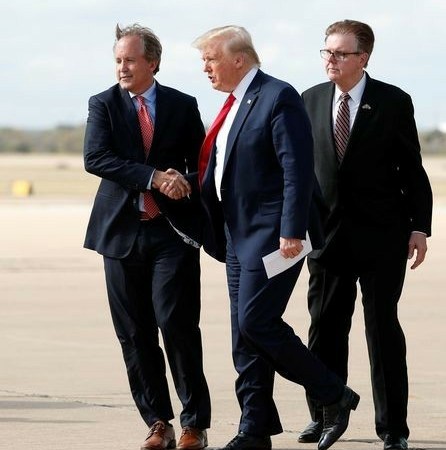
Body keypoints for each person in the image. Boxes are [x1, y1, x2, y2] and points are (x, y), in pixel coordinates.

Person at [190, 25, 359, 450]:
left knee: (256, 322)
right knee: (243, 335)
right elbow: (229, 169)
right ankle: (254, 429)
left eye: (210, 59)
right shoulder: (232, 104)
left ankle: (334, 394)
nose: (205, 68)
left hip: (274, 236)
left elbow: (296, 169)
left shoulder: (277, 96)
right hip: (236, 234)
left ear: (238, 59)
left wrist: (291, 230)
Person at [299, 20, 433, 450]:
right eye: (327, 51)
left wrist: (419, 226)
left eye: (340, 53)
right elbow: (298, 171)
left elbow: (412, 168)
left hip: (382, 237)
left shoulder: (393, 101)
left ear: (363, 58)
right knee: (324, 329)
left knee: (382, 330)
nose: (331, 60)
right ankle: (323, 416)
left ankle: (393, 429)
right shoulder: (309, 99)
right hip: (325, 238)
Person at [83, 23, 211, 450]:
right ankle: (159, 423)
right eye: (118, 60)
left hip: (171, 233)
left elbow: (203, 165)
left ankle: (195, 424)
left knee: (177, 325)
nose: (122, 67)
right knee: (135, 334)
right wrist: (154, 177)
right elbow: (96, 158)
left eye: (130, 60)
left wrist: (181, 180)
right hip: (120, 234)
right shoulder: (103, 104)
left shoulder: (182, 104)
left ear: (152, 62)